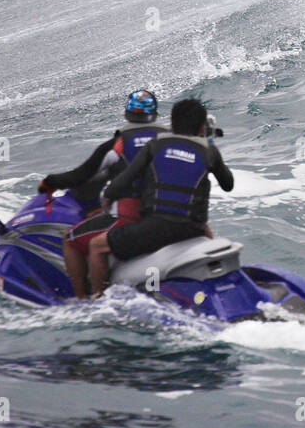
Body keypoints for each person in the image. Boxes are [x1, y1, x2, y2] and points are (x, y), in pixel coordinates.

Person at [86, 98, 234, 297]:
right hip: (194, 228)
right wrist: (211, 145)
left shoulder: (155, 145)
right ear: (201, 128)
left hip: (158, 228)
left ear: (172, 124)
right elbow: (228, 185)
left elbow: (124, 180)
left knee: (96, 246)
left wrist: (107, 197)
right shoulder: (209, 151)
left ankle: (96, 300)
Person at [46, 89, 165, 299]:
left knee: (70, 239)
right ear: (154, 115)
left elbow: (80, 176)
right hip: (170, 215)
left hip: (132, 218)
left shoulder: (117, 145)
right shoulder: (171, 139)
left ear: (128, 115)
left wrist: (50, 181)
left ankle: (88, 300)